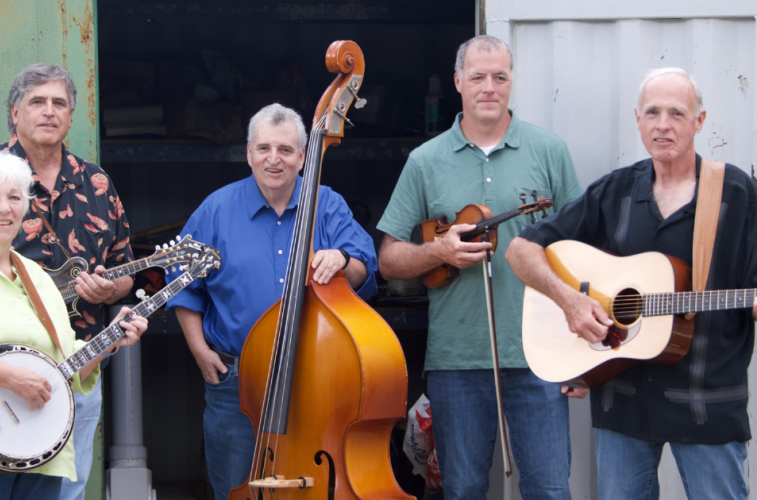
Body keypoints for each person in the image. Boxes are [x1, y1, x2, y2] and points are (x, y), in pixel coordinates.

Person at [506, 67, 756, 499]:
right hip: (621, 400)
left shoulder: (735, 192)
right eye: (653, 113)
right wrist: (570, 302)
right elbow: (520, 251)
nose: (663, 125)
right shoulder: (613, 192)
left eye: (677, 113)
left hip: (706, 401)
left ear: (699, 121)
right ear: (637, 119)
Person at [377, 35, 584, 499]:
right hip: (458, 359)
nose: (488, 87)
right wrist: (439, 253)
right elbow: (388, 259)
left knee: (549, 490)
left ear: (512, 82)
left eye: (500, 77)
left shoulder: (549, 151)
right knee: (464, 489)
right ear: (457, 82)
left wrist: (580, 355)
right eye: (477, 77)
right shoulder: (425, 161)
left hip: (542, 355)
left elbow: (579, 253)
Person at [0, 63, 134, 500]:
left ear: (72, 116)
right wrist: (10, 376)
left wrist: (110, 302)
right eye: (37, 101)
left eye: (59, 103)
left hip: (71, 370)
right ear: (14, 112)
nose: (49, 112)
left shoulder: (96, 184)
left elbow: (123, 263)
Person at [165, 103, 378, 500]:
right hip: (236, 381)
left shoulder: (328, 204)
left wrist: (344, 260)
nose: (273, 159)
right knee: (236, 487)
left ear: (303, 156)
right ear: (248, 153)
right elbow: (181, 284)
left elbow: (366, 267)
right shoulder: (216, 209)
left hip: (317, 380)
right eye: (263, 148)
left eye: (285, 149)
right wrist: (197, 349)